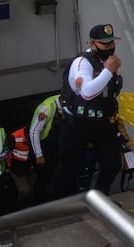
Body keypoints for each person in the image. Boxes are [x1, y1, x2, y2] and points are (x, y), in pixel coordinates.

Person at [50, 23, 123, 198]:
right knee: (68, 166)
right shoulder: (82, 63)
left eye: (112, 43)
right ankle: (57, 203)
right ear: (91, 44)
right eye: (105, 44)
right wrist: (108, 71)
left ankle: (99, 199)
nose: (110, 47)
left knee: (112, 163)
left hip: (101, 123)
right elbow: (87, 92)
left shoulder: (106, 62)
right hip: (77, 124)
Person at [29, 94, 63, 203]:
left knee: (55, 176)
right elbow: (34, 132)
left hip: (53, 146)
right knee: (43, 179)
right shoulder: (47, 107)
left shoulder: (62, 104)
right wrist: (39, 155)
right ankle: (39, 203)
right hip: (43, 147)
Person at [6, 126, 34, 208]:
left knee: (32, 189)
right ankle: (20, 205)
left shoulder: (35, 134)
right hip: (17, 168)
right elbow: (7, 153)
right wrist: (10, 167)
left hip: (29, 166)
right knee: (25, 191)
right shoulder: (14, 137)